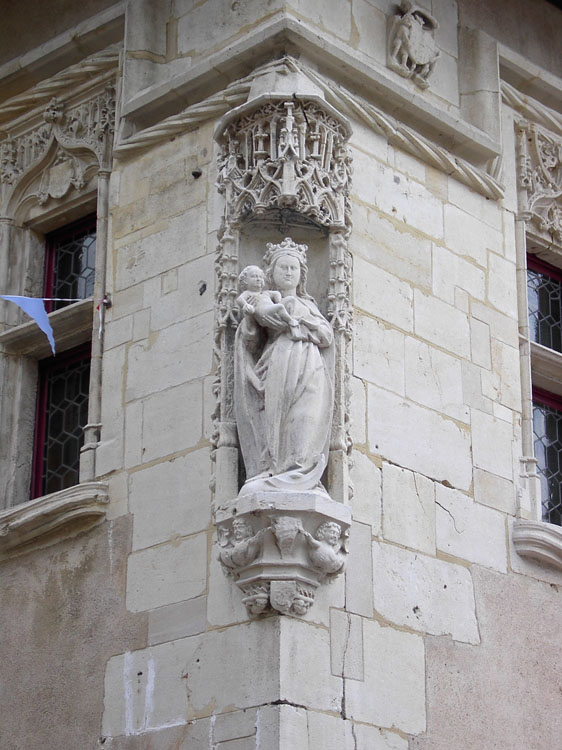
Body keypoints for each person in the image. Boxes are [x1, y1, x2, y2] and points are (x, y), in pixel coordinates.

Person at [234, 238, 334, 495]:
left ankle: (300, 472)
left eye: (294, 268)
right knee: (276, 419)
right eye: (283, 268)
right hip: (278, 364)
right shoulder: (262, 300)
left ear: (301, 275)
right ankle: (272, 470)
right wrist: (251, 319)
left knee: (306, 419)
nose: (289, 273)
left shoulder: (309, 306)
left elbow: (326, 335)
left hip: (310, 368)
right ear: (272, 274)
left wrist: (300, 323)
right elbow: (252, 340)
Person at [236, 265, 299, 330]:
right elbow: (239, 299)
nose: (258, 279)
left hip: (271, 309)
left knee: (291, 299)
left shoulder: (265, 292)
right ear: (245, 280)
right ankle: (290, 321)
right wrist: (246, 305)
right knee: (280, 307)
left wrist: (278, 299)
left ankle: (290, 316)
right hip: (262, 312)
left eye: (260, 277)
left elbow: (276, 293)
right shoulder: (249, 293)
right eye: (254, 276)